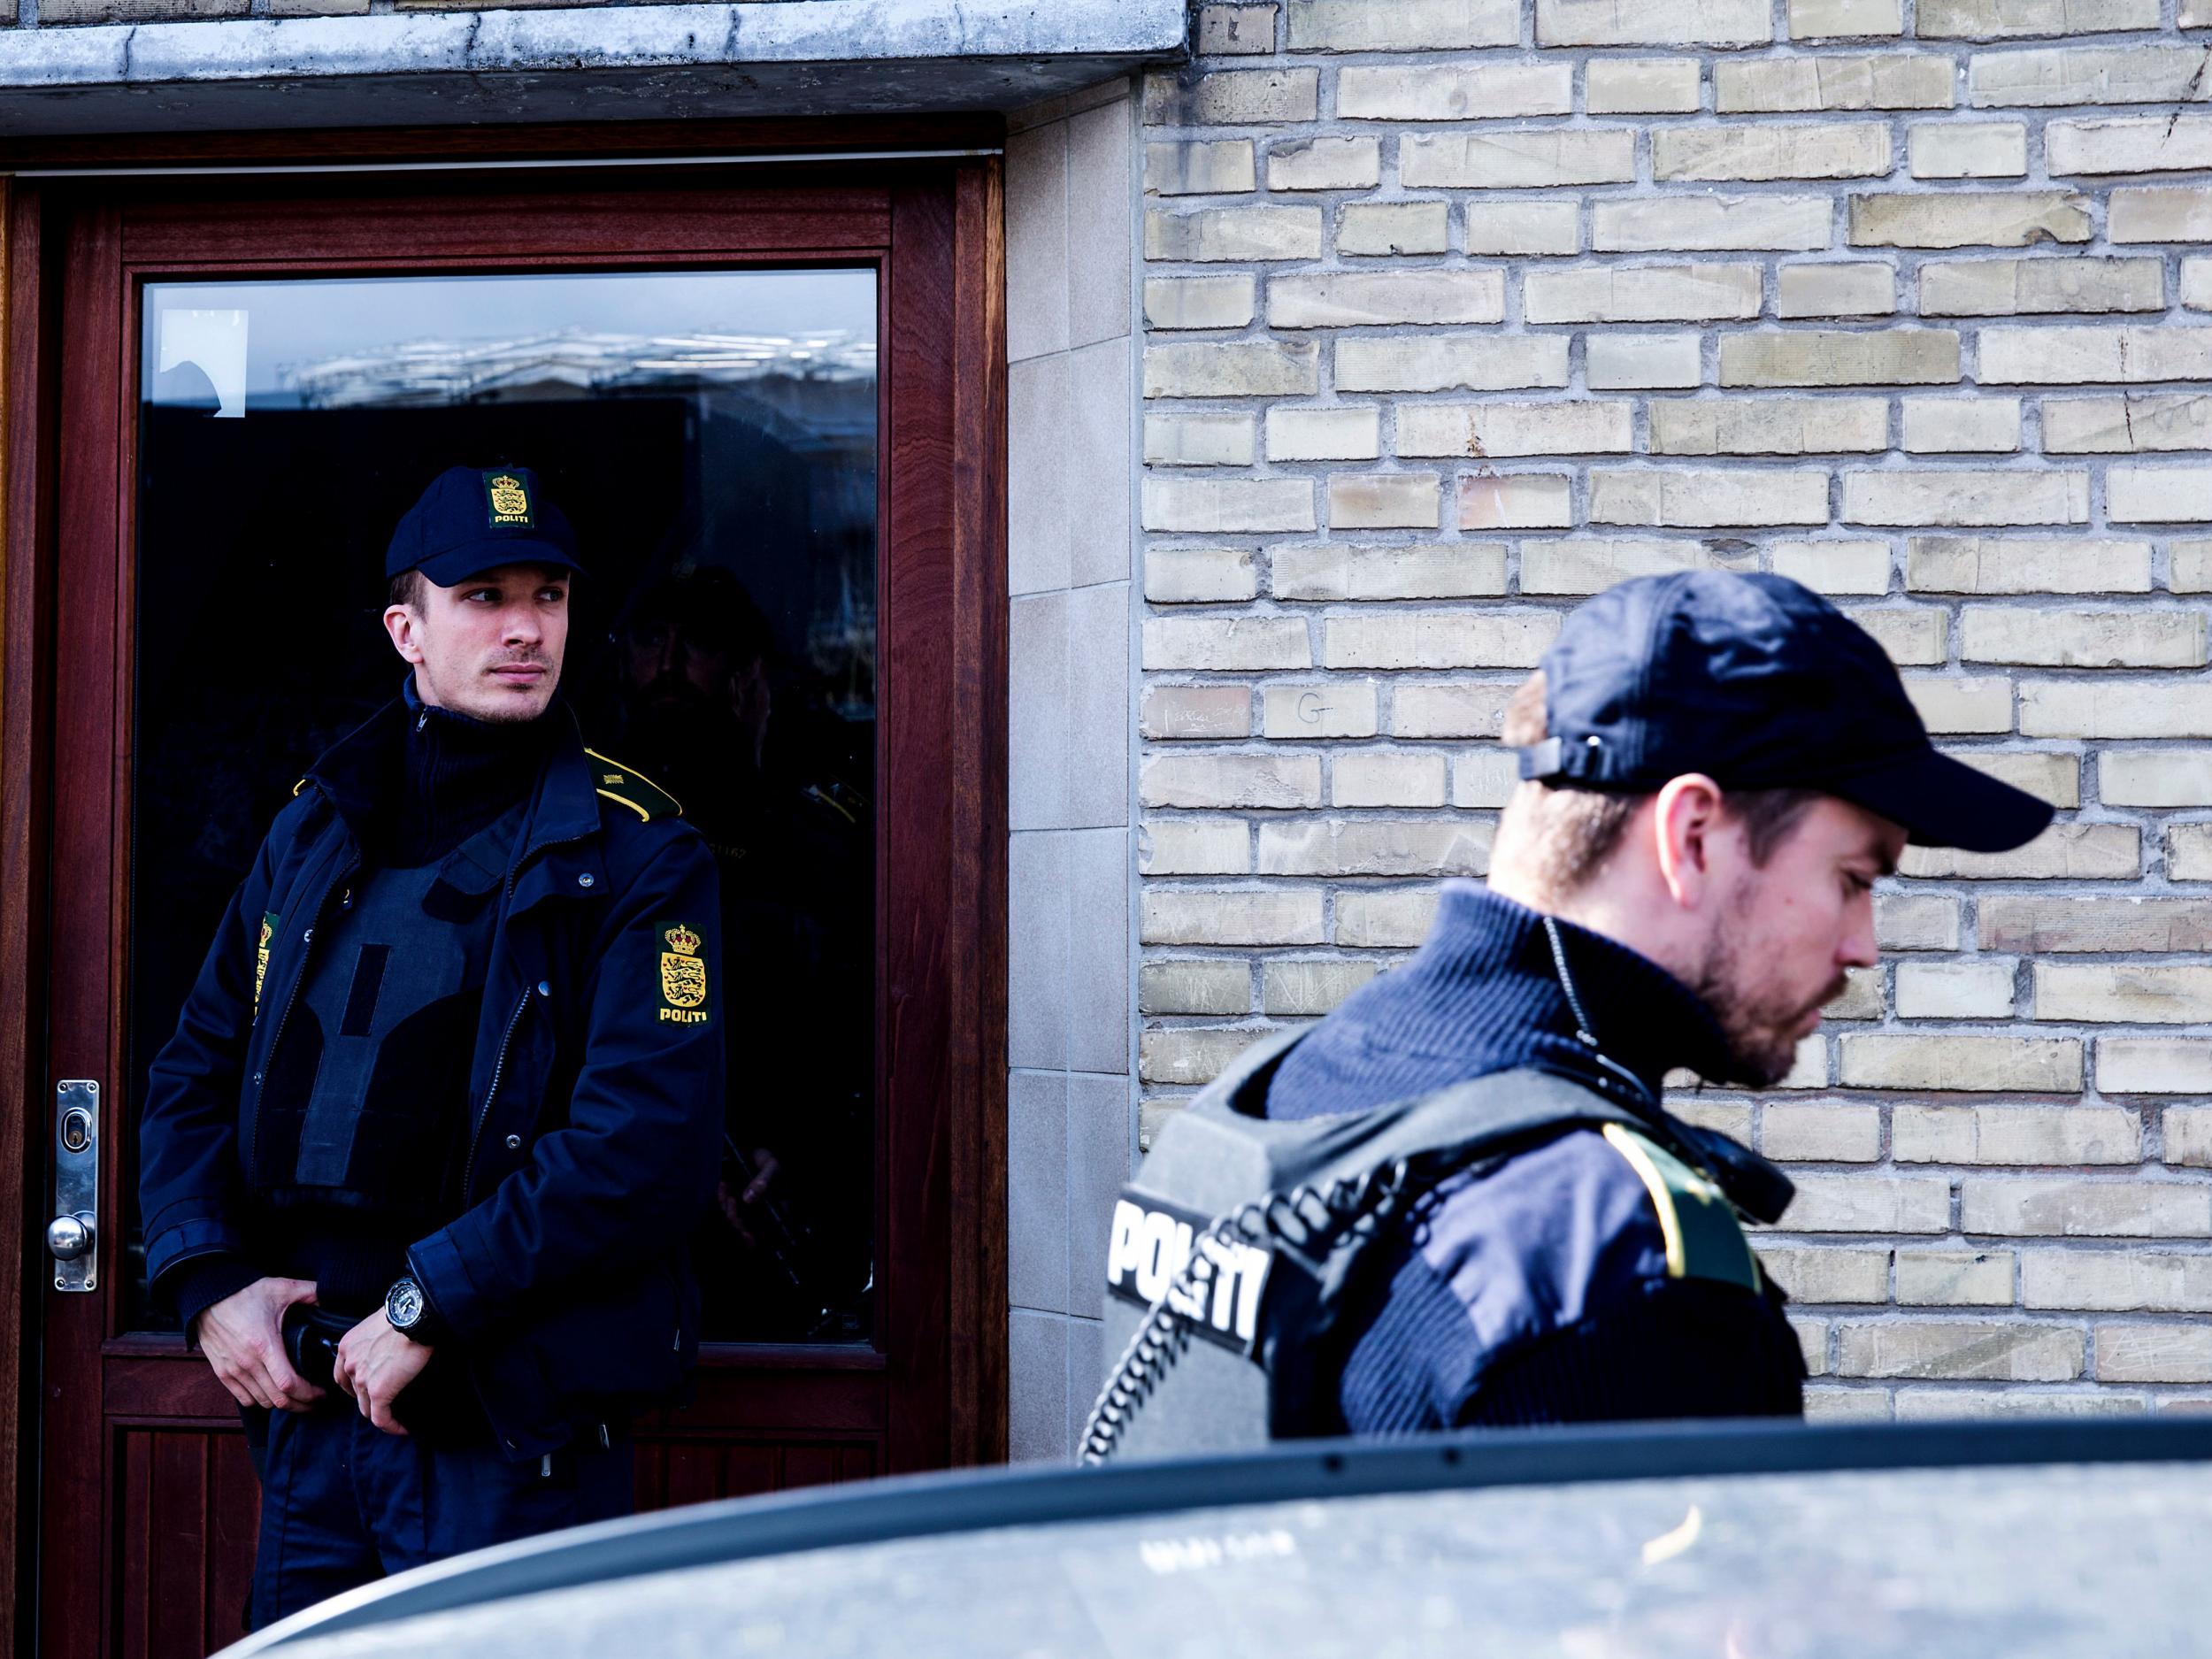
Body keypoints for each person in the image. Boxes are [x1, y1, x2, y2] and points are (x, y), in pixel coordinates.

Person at [1089, 571, 2055, 1458]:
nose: (1863, 946)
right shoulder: (1606, 1264)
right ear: (1690, 835)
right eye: (1852, 879)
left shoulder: (1280, 1093)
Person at [135, 465, 725, 1626]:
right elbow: (195, 1067)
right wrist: (207, 1282)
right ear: (406, 627)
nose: (525, 626)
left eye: (548, 595)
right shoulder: (315, 823)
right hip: (313, 1421)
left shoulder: (638, 851)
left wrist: (427, 1307)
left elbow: (644, 1147)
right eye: (484, 594)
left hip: (507, 1429)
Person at [607, 567, 872, 1339]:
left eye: (697, 646)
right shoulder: (576, 813)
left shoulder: (809, 831)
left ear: (747, 671)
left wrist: (798, 1148)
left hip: (769, 1199)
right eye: (651, 641)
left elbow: (859, 1019)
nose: (667, 665)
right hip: (616, 1193)